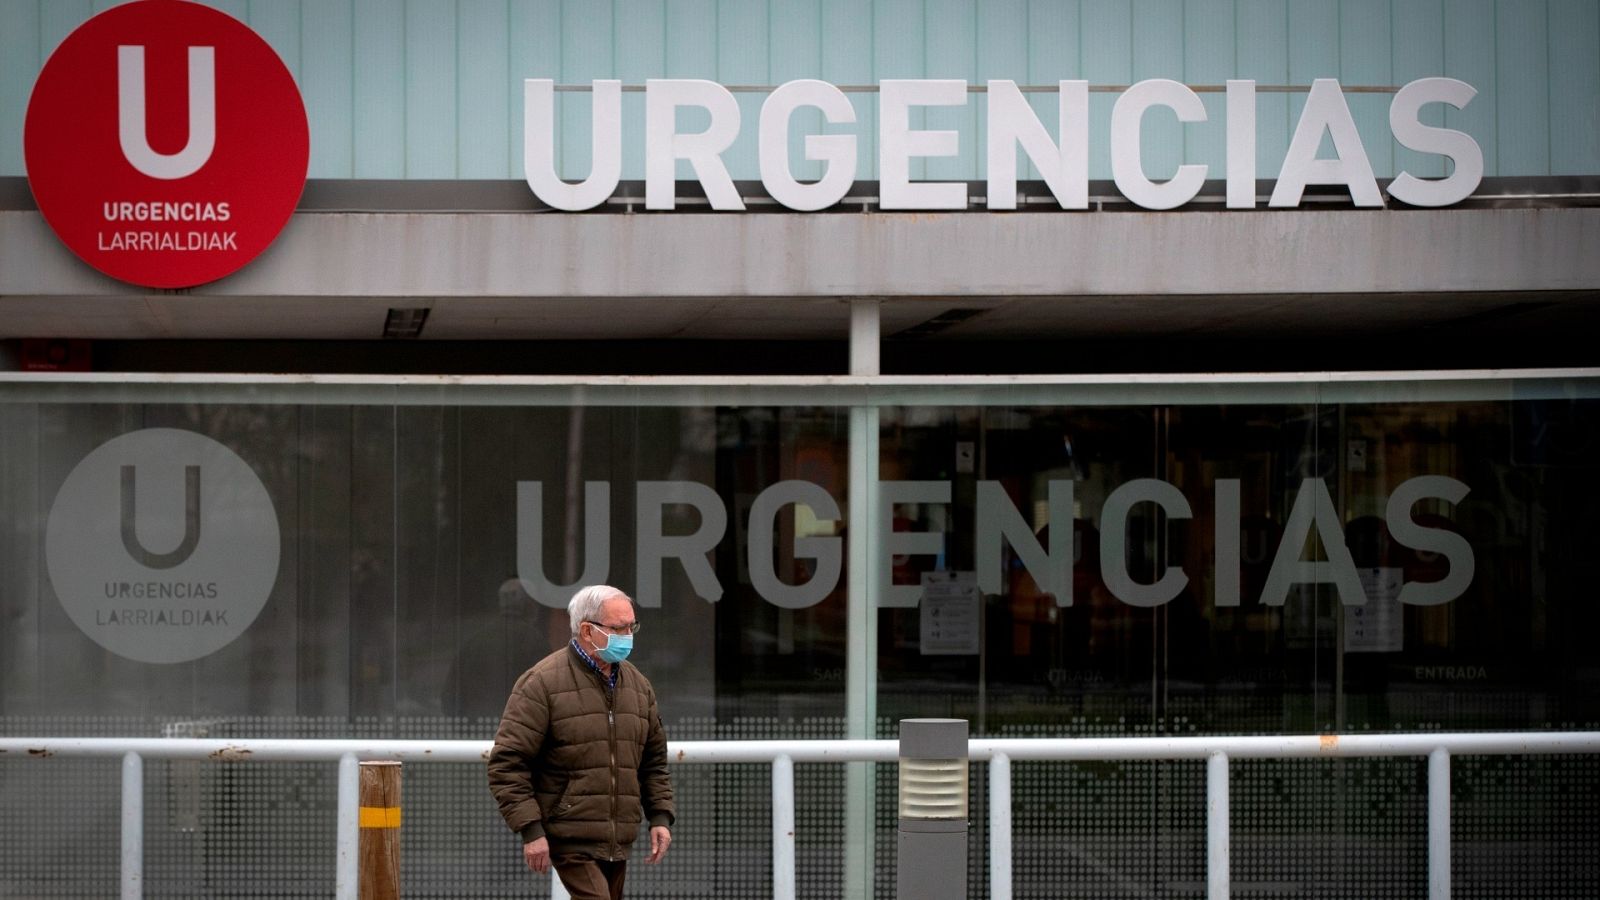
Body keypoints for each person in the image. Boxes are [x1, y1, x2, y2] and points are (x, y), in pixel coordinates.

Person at [487, 585, 675, 900]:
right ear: (587, 630)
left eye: (632, 626)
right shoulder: (542, 683)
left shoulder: (638, 686)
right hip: (569, 833)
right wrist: (531, 831)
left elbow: (653, 761)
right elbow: (508, 763)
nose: (628, 635)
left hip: (618, 837)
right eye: (619, 628)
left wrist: (660, 816)